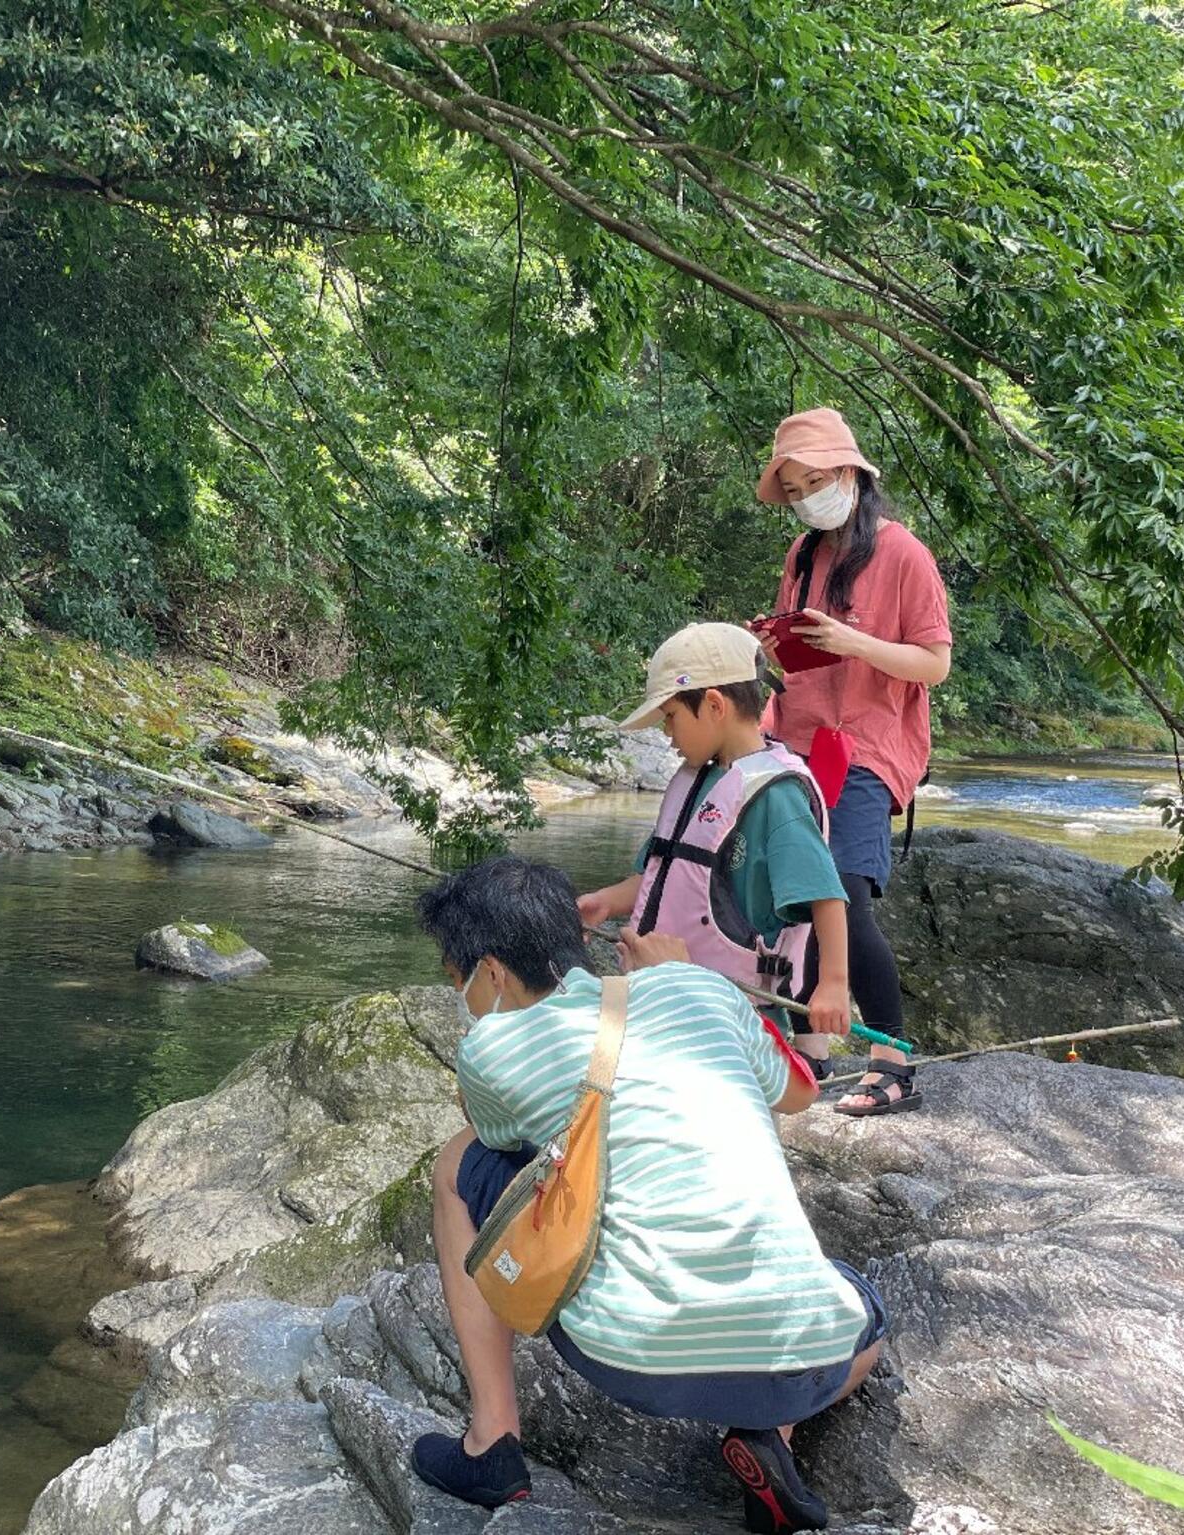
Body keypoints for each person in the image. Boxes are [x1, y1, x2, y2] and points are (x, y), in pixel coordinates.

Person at [411, 855, 888, 1533]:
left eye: (457, 977)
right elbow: (800, 1091)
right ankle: (768, 1436)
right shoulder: (703, 989)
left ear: (490, 971)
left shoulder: (490, 1046)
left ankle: (492, 1440)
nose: (459, 991)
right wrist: (683, 976)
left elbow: (498, 1136)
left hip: (629, 1355)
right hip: (802, 1353)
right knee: (864, 1310)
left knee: (458, 1162)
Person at [758, 407, 952, 1115]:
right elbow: (795, 658)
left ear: (850, 474)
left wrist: (854, 643)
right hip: (798, 738)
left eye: (816, 479)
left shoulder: (903, 554)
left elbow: (934, 662)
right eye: (797, 487)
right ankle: (809, 1050)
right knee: (794, 897)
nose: (809, 496)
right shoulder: (803, 556)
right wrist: (776, 650)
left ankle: (893, 1058)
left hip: (870, 745)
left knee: (840, 889)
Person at [575, 621, 854, 1051]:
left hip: (733, 1020)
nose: (668, 736)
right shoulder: (695, 781)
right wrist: (606, 901)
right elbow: (664, 876)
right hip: (661, 998)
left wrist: (833, 985)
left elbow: (825, 895)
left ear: (713, 705)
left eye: (670, 717)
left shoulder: (775, 796)